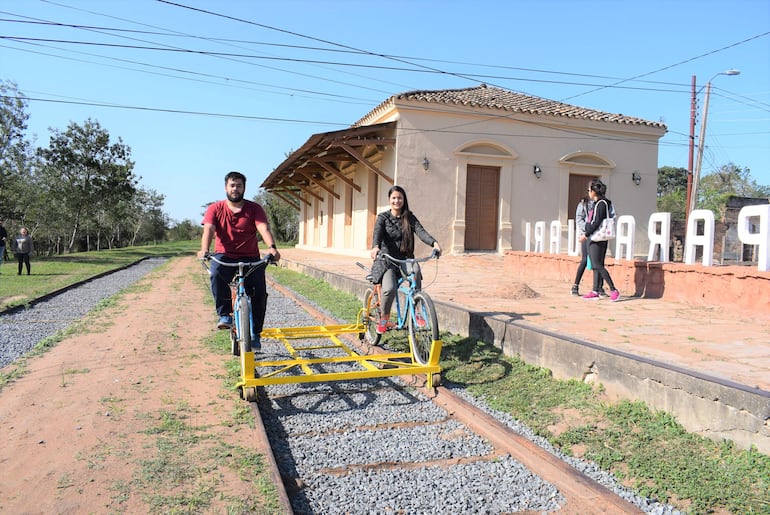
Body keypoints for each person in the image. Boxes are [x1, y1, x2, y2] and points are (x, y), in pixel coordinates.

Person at [197, 171, 281, 346]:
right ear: (226, 187)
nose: (235, 189)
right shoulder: (215, 208)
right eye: (232, 185)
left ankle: (256, 333)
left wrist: (272, 248)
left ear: (244, 188)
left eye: (239, 185)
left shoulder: (254, 208)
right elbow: (209, 230)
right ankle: (224, 314)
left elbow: (263, 228)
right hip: (224, 255)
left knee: (259, 293)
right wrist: (204, 249)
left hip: (250, 256)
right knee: (215, 274)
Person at [370, 185, 441, 334]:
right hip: (387, 260)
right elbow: (377, 233)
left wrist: (434, 243)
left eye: (399, 198)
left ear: (404, 200)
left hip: (405, 258)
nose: (397, 201)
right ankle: (384, 318)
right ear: (389, 200)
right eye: (394, 198)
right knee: (389, 289)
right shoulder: (383, 218)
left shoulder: (409, 217)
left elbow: (421, 231)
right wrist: (375, 247)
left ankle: (417, 311)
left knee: (415, 270)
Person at [580, 179, 619, 301]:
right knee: (598, 265)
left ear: (593, 191)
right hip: (602, 237)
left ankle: (613, 289)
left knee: (597, 265)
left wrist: (586, 234)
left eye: (589, 190)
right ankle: (595, 290)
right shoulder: (605, 203)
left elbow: (596, 222)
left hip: (597, 238)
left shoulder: (601, 204)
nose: (588, 193)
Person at [570, 190, 606, 297]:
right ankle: (575, 285)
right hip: (586, 235)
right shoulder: (583, 203)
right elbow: (579, 218)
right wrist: (587, 229)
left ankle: (599, 287)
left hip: (597, 235)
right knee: (585, 260)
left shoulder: (601, 203)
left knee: (598, 262)